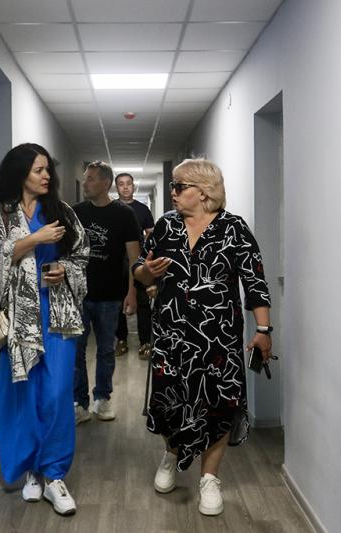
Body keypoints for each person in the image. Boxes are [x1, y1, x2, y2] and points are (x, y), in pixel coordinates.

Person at [133, 158, 272, 516]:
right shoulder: (166, 226)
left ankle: (209, 478)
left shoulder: (234, 229)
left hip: (218, 338)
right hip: (171, 334)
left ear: (204, 191)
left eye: (180, 186)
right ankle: (172, 453)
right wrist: (146, 271)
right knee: (169, 399)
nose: (173, 193)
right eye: (173, 186)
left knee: (220, 403)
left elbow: (255, 282)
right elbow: (141, 272)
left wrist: (263, 330)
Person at [0, 143, 89, 516]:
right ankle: (30, 470)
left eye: (48, 169)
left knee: (57, 394)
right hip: (17, 319)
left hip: (57, 315)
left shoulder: (62, 211)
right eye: (39, 170)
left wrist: (64, 270)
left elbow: (81, 255)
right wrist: (36, 239)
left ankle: (54, 474)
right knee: (21, 396)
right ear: (20, 173)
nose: (47, 175)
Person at [73, 162, 141, 423]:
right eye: (85, 178)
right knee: (76, 351)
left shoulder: (124, 214)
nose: (85, 183)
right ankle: (79, 402)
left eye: (90, 179)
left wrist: (132, 293)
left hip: (111, 295)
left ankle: (102, 398)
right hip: (79, 294)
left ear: (105, 183)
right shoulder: (77, 212)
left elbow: (134, 258)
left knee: (105, 350)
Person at [114, 172, 155, 360]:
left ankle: (145, 342)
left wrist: (145, 250)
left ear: (133, 186)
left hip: (139, 261)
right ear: (116, 187)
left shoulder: (142, 209)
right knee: (118, 301)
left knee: (142, 302)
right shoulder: (112, 208)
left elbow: (150, 233)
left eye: (128, 184)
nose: (125, 187)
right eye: (121, 184)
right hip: (117, 262)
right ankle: (121, 340)